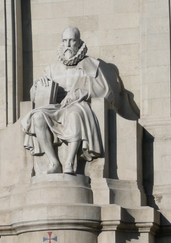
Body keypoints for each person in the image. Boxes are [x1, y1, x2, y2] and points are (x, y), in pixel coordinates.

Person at [21, 26, 138, 175]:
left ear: (79, 42)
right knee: (37, 116)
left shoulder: (91, 64)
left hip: (78, 105)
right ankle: (54, 162)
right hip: (56, 108)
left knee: (75, 115)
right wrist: (38, 86)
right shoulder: (51, 69)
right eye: (65, 41)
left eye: (71, 41)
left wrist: (84, 92)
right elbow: (34, 96)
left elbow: (106, 91)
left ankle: (69, 162)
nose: (68, 45)